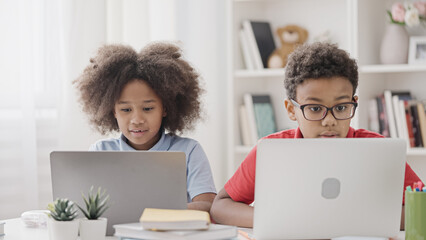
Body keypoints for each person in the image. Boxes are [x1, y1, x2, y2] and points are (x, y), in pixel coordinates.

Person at [210, 42, 422, 228]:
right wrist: (277, 219)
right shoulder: (271, 151)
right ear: (292, 109)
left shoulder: (378, 150)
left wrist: (354, 220)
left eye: (340, 108)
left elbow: (421, 207)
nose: (329, 120)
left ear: (353, 103)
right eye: (314, 108)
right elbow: (220, 207)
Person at [74, 42, 216, 212]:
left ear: (165, 108)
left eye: (148, 109)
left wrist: (156, 213)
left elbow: (209, 206)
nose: (137, 119)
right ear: (112, 111)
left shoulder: (189, 150)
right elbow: (88, 211)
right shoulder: (100, 151)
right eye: (126, 109)